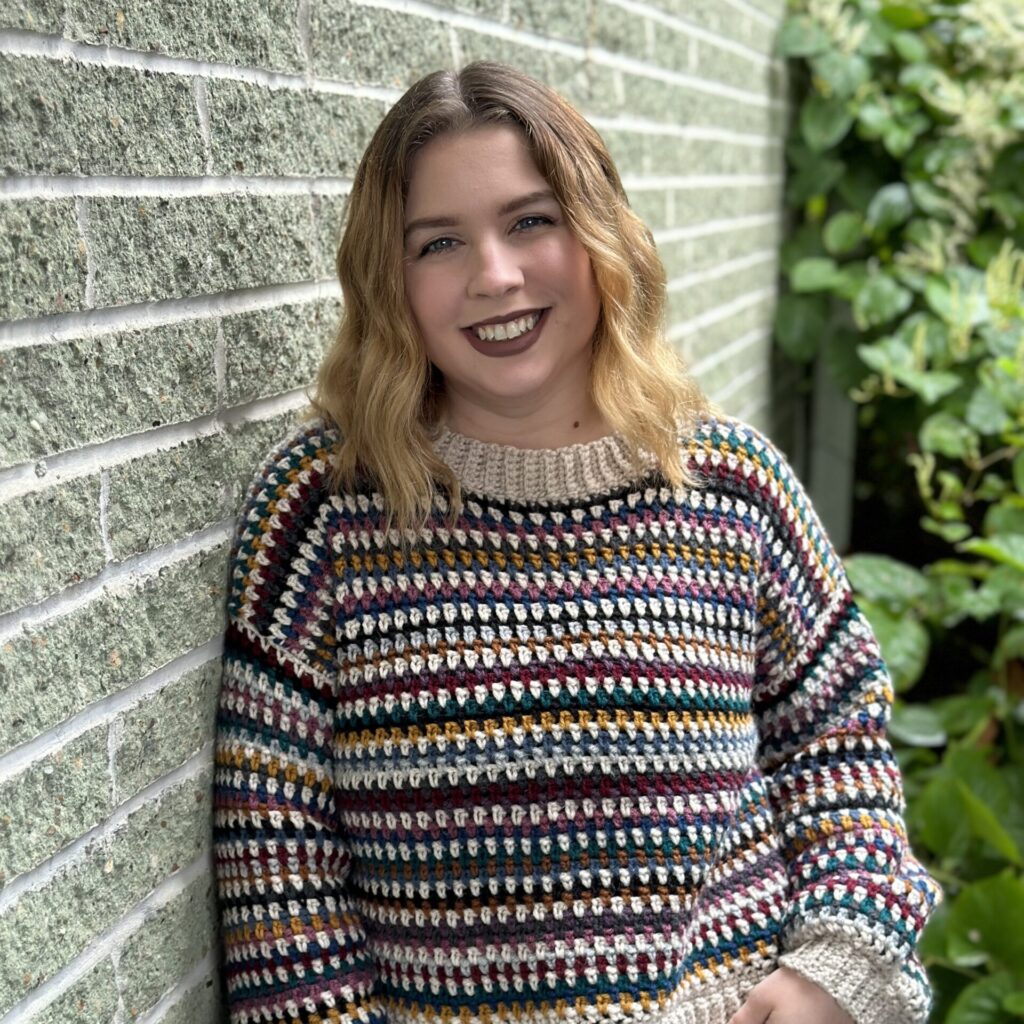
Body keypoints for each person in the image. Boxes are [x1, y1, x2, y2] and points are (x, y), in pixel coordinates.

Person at [214, 62, 941, 1024]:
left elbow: (837, 747)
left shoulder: (734, 487)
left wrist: (835, 971)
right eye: (439, 243)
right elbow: (277, 870)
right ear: (390, 280)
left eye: (531, 221)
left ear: (600, 234)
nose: (494, 276)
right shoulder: (324, 513)